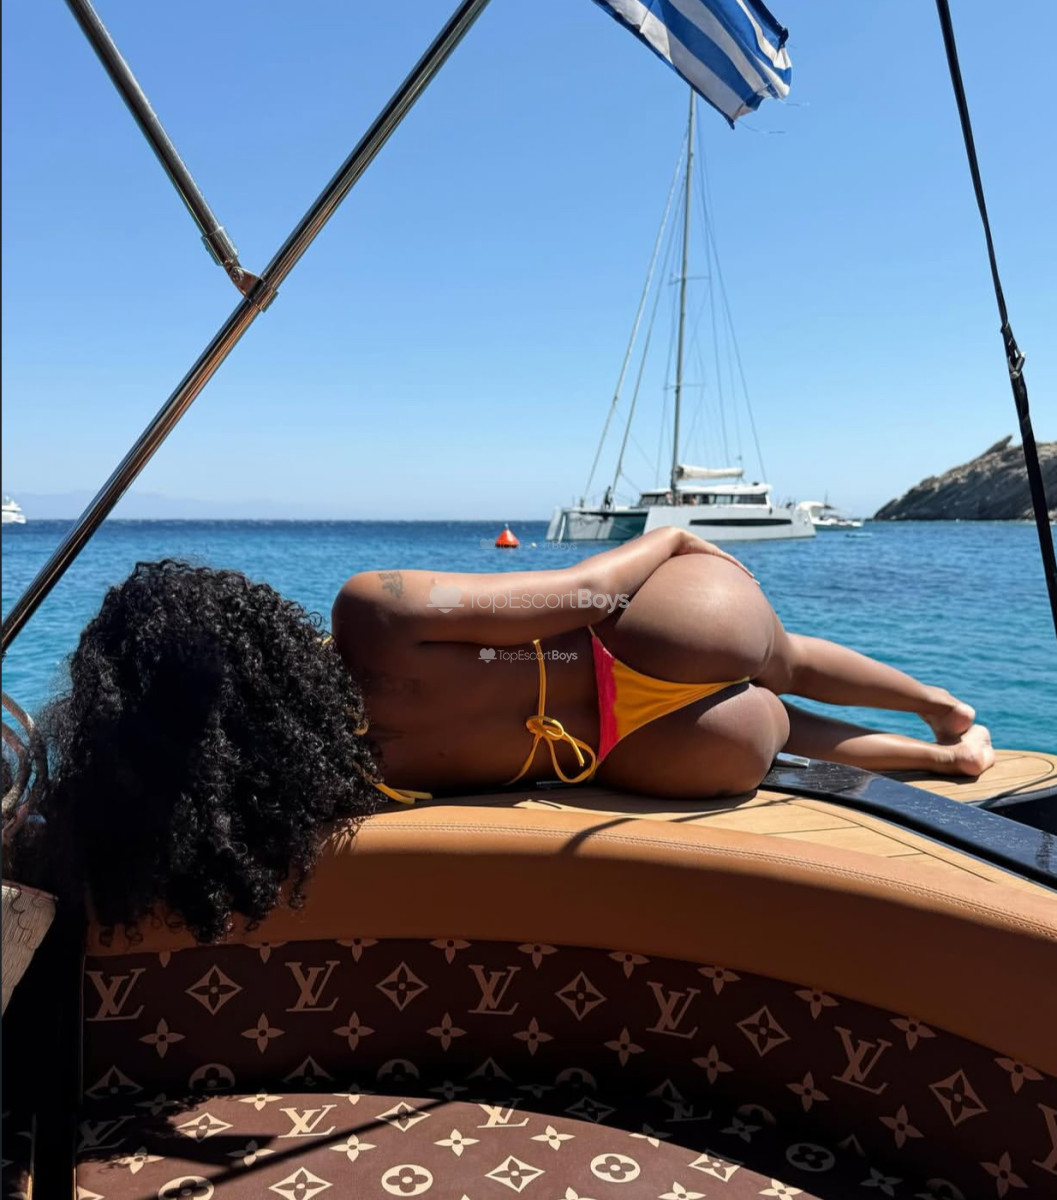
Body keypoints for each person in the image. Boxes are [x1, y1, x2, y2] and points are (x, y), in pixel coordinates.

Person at [14, 531, 992, 943]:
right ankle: (938, 708)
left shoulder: (329, 783)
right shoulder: (371, 613)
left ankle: (938, 760)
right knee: (783, 656)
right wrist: (671, 541)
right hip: (636, 639)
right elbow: (584, 593)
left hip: (654, 756)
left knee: (777, 731)